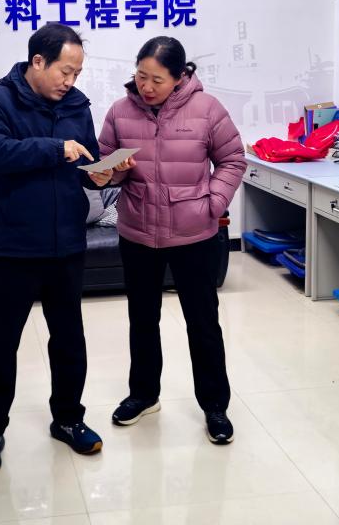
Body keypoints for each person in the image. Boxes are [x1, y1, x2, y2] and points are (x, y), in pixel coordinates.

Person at [0, 23, 113, 474]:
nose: (70, 81)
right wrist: (56, 148)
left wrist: (103, 173)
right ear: (38, 61)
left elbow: (87, 162)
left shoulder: (77, 105)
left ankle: (68, 419)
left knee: (69, 340)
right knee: (0, 345)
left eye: (77, 73)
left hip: (66, 244)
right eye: (64, 71)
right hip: (13, 246)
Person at [98, 36, 246, 444]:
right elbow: (107, 166)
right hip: (138, 232)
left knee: (203, 322)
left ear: (180, 77)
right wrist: (111, 171)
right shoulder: (120, 112)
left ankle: (215, 406)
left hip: (194, 234)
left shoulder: (207, 109)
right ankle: (143, 395)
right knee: (142, 318)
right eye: (140, 76)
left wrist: (212, 204)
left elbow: (233, 159)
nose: (146, 87)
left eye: (157, 80)